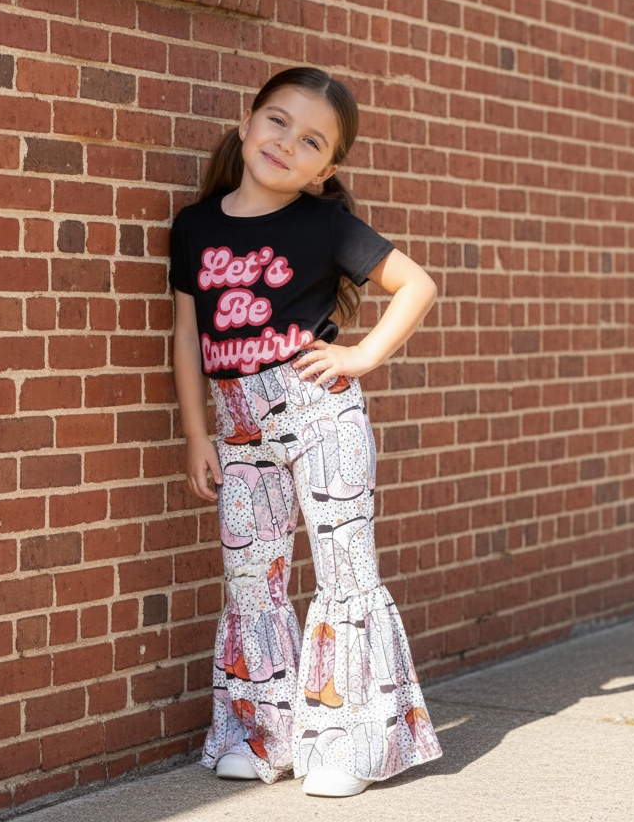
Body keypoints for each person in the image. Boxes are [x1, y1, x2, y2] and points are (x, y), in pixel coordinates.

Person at [169, 67, 443, 798]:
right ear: (247, 123)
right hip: (238, 435)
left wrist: (360, 355)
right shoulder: (196, 226)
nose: (288, 143)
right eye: (278, 121)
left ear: (327, 169)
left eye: (312, 140)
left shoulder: (325, 225)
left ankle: (347, 745)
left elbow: (417, 284)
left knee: (346, 577)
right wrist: (198, 436)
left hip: (323, 418)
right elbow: (185, 334)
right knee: (251, 583)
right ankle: (262, 737)